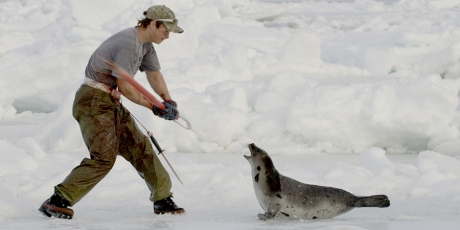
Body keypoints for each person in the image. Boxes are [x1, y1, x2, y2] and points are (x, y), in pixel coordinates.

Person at [38, 5, 185, 219]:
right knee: (104, 158)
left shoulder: (145, 46)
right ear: (153, 23)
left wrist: (167, 100)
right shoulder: (129, 44)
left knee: (141, 147)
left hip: (109, 100)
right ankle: (58, 200)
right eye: (166, 30)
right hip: (93, 101)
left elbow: (153, 74)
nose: (167, 36)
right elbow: (125, 87)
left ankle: (163, 199)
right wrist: (153, 107)